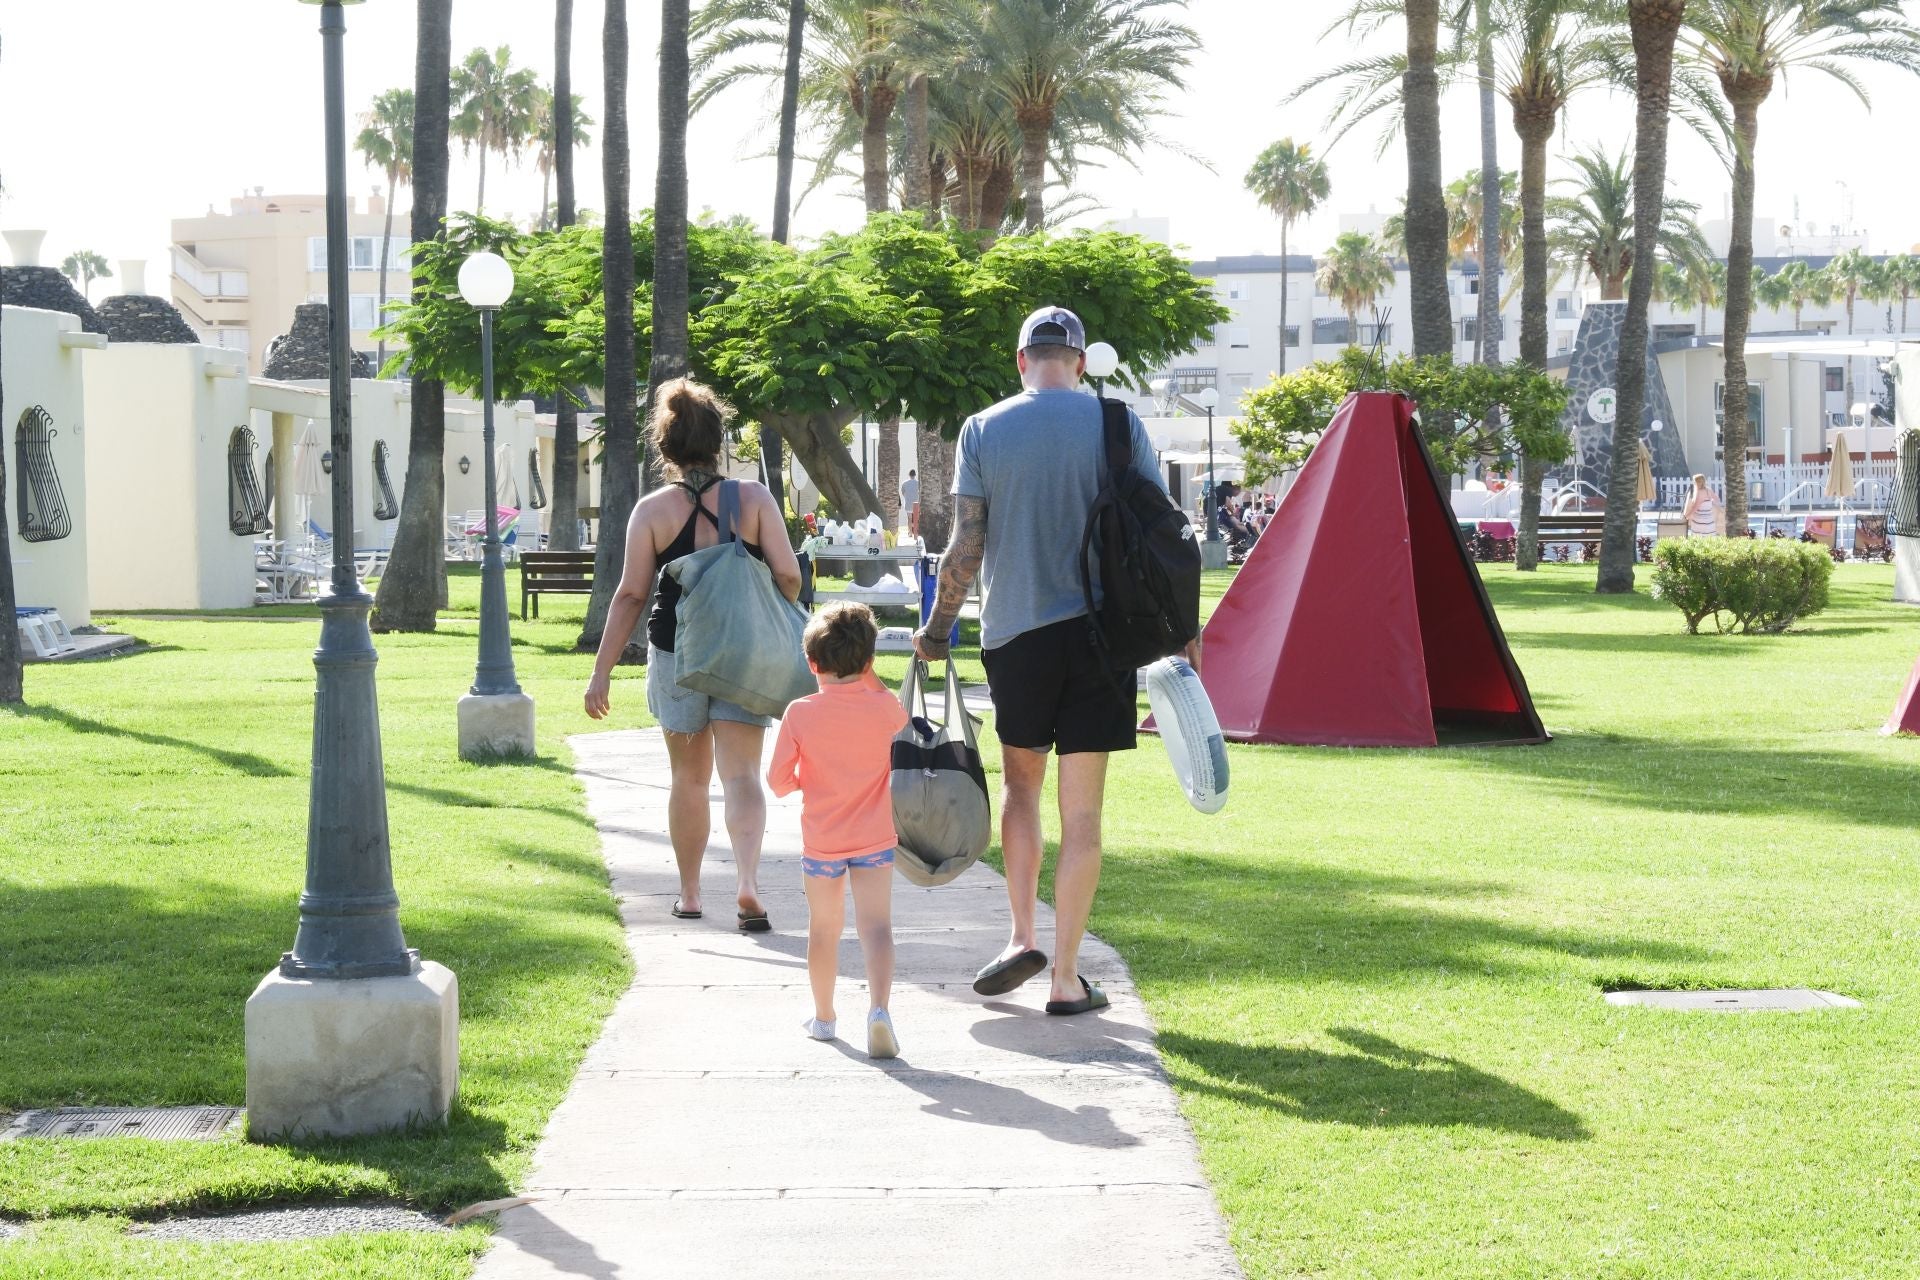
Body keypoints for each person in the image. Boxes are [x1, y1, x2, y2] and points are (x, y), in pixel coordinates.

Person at [914, 304, 1200, 1017]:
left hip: (1016, 635)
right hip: (1104, 638)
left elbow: (965, 549)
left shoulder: (984, 428)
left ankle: (1019, 937)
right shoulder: (1115, 423)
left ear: (1020, 360)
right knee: (1084, 817)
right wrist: (1183, 629)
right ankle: (1067, 978)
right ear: (1077, 361)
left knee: (1020, 789)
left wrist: (936, 629)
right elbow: (1163, 533)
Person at [584, 379, 803, 931]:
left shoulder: (651, 511)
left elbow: (632, 594)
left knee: (687, 779)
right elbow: (789, 576)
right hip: (741, 656)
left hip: (676, 653)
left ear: (666, 447)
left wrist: (600, 672)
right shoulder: (753, 499)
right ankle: (748, 885)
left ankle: (689, 894)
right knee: (742, 775)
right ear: (718, 440)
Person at [767, 602, 908, 1058]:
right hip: (875, 840)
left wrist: (807, 778)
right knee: (877, 927)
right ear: (869, 662)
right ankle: (880, 1011)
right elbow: (897, 717)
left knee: (823, 930)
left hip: (823, 842)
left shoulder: (800, 713)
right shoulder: (886, 707)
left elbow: (778, 781)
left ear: (811, 663)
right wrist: (868, 676)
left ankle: (825, 1017)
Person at [1682, 473, 1725, 537]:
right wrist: (1710, 502)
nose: (1694, 483)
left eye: (1694, 482)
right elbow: (1717, 499)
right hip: (1709, 522)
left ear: (1697, 482)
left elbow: (1695, 508)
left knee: (1698, 539)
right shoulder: (1708, 490)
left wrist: (1686, 516)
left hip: (1700, 523)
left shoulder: (1698, 492)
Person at [901, 468, 921, 538]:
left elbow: (903, 493)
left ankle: (910, 532)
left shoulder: (904, 483)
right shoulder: (918, 483)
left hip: (908, 503)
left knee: (909, 519)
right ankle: (916, 533)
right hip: (916, 503)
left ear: (909, 475)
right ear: (915, 475)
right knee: (916, 519)